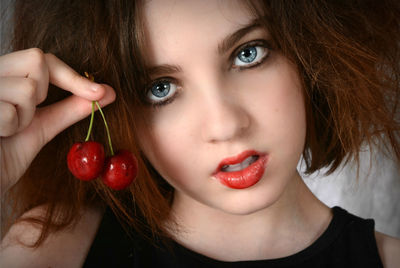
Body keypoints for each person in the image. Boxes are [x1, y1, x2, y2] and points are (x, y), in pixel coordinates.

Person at [1, 0, 400, 267]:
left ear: (307, 50)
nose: (225, 125)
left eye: (249, 53)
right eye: (160, 89)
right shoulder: (52, 251)